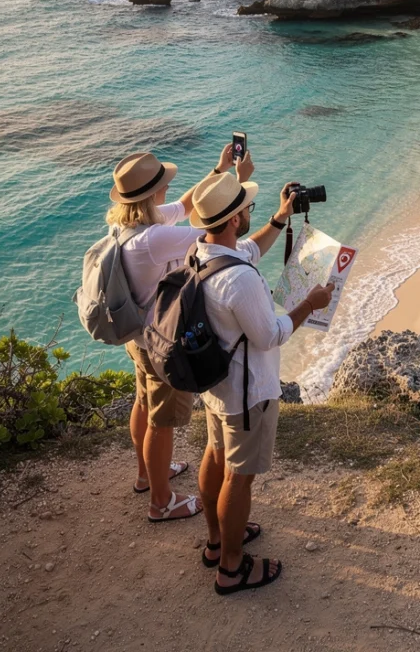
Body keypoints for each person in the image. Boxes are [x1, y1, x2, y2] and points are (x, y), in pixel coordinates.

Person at [189, 170, 333, 595]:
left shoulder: (200, 254)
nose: (251, 212)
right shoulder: (241, 279)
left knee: (216, 455)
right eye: (248, 208)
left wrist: (279, 216)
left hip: (216, 385)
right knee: (240, 477)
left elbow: (249, 249)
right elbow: (270, 334)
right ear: (234, 219)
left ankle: (217, 543)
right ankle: (232, 569)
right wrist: (311, 302)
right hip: (249, 392)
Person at [106, 143, 252, 522]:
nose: (169, 189)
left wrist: (218, 171)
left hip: (137, 339)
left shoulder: (127, 225)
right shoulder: (154, 240)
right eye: (164, 184)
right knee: (163, 422)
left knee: (143, 403)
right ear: (152, 192)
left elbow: (188, 206)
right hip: (162, 343)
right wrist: (239, 184)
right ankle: (161, 501)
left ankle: (145, 475)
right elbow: (215, 226)